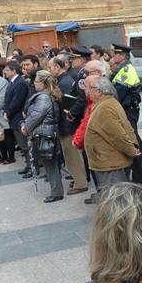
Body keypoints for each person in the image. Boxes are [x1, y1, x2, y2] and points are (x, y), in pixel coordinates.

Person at [82, 76, 140, 203]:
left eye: (90, 88)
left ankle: (120, 222)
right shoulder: (107, 103)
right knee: (117, 198)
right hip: (109, 161)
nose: (87, 91)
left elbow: (117, 135)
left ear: (99, 91)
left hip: (110, 164)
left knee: (116, 201)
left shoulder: (105, 107)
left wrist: (131, 150)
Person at [109, 44, 142, 186]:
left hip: (128, 110)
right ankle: (140, 177)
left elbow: (118, 93)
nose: (114, 56)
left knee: (133, 142)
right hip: (127, 109)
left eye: (116, 54)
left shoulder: (126, 70)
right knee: (133, 141)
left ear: (123, 56)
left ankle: (141, 178)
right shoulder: (122, 69)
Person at [21, 70, 64, 202]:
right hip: (49, 132)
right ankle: (57, 190)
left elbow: (37, 115)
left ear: (43, 83)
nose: (34, 84)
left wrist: (26, 127)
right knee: (51, 163)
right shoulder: (49, 95)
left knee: (50, 164)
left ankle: (56, 192)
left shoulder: (43, 97)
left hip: (45, 134)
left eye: (36, 81)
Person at [54, 54, 90, 195]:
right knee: (70, 155)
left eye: (73, 59)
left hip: (69, 122)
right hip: (68, 121)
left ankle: (81, 182)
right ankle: (79, 179)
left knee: (72, 154)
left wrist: (70, 114)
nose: (71, 61)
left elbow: (79, 100)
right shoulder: (73, 75)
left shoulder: (68, 79)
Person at [1, 60, 30, 167]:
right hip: (13, 117)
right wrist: (5, 111)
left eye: (7, 70)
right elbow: (7, 99)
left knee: (25, 145)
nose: (5, 72)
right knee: (22, 145)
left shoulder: (20, 83)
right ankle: (28, 166)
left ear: (14, 70)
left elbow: (16, 101)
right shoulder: (12, 82)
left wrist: (8, 113)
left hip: (18, 117)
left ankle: (32, 167)